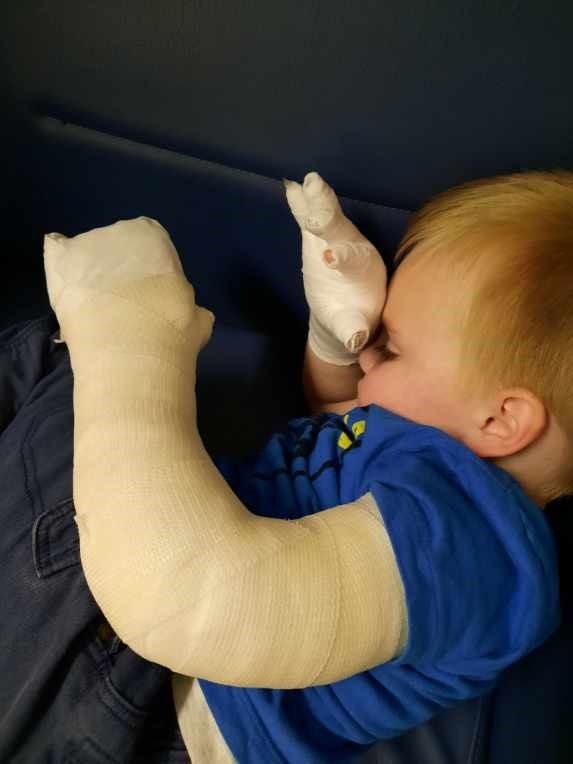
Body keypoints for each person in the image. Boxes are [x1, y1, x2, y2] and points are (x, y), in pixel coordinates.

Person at [2, 169, 571, 763]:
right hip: (139, 630)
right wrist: (333, 337)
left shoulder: (473, 543)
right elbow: (335, 417)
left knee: (76, 378)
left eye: (394, 349)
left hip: (147, 687)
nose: (370, 351)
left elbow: (201, 605)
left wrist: (129, 342)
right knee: (64, 371)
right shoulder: (437, 458)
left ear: (502, 421)